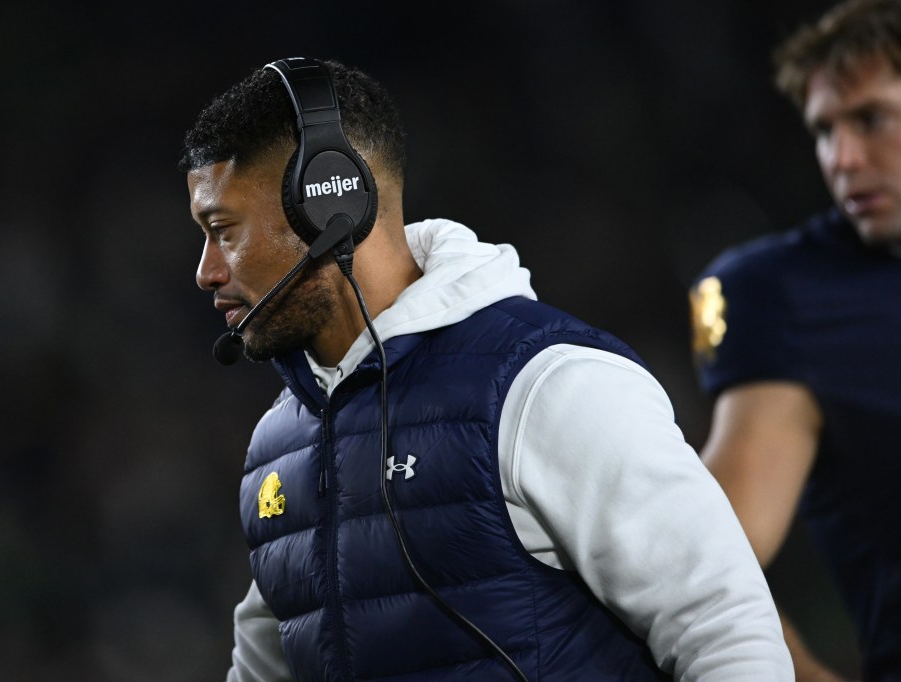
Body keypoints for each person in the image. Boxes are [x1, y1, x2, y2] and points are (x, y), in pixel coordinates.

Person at [180, 57, 791, 681]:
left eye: (223, 230)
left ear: (330, 205)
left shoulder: (549, 386)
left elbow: (729, 637)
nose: (206, 271)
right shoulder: (277, 448)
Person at [688, 1, 901, 680]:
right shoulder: (790, 295)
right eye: (823, 130)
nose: (841, 158)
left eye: (870, 118)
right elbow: (696, 565)